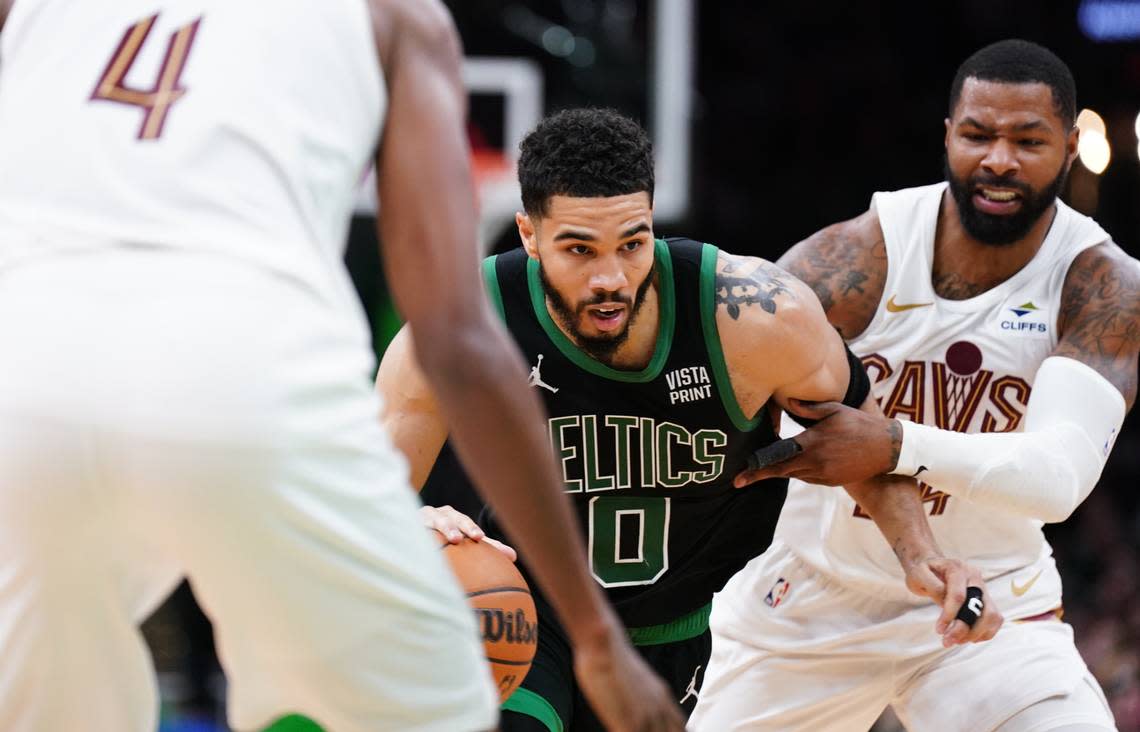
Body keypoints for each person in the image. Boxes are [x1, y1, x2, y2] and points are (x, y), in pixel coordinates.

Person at [0, 2, 685, 731]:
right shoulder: (399, 17)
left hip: (22, 371)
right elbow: (455, 340)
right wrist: (596, 638)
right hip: (242, 369)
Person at [376, 107, 1001, 732]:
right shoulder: (460, 329)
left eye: (632, 243)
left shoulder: (755, 315)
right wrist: (413, 520)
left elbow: (859, 437)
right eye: (578, 249)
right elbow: (363, 492)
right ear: (529, 235)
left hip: (694, 627)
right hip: (537, 619)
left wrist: (921, 555)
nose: (610, 278)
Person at [691, 39, 1139, 732]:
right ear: (948, 136)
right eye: (978, 135)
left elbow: (1056, 480)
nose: (998, 159)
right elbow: (722, 380)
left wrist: (890, 442)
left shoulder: (1101, 284)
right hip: (814, 600)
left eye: (1028, 140)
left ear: (1072, 145)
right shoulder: (858, 255)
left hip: (992, 604)